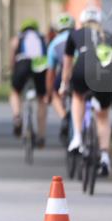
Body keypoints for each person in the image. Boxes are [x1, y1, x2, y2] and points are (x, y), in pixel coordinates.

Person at [61, 6, 112, 176]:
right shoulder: (108, 36)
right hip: (105, 77)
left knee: (77, 97)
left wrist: (64, 84)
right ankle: (105, 156)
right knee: (103, 115)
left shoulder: (75, 34)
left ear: (82, 21)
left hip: (82, 72)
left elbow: (67, 65)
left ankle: (77, 137)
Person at [9, 19, 48, 144]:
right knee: (42, 98)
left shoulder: (18, 38)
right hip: (40, 65)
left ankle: (16, 116)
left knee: (15, 92)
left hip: (22, 63)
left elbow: (12, 58)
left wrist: (12, 70)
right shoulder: (42, 38)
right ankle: (41, 136)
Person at [45, 12, 75, 142]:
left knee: (55, 93)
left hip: (65, 73)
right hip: (83, 71)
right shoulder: (79, 37)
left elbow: (50, 73)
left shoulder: (53, 44)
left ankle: (64, 117)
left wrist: (49, 93)